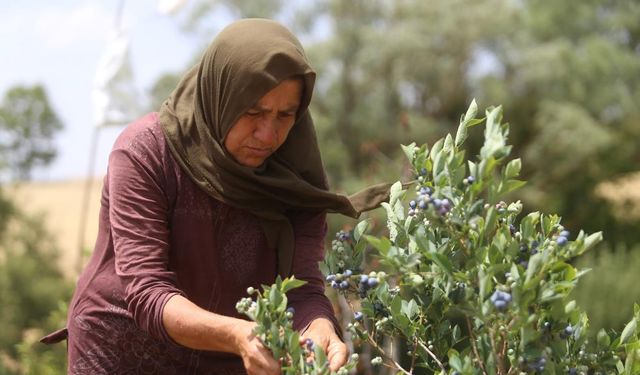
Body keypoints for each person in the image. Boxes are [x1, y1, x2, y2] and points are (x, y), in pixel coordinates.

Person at [42, 18, 390, 374]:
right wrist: (237, 334)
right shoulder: (145, 152)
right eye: (253, 112)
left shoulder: (296, 180)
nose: (268, 134)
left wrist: (320, 326)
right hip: (122, 349)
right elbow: (147, 292)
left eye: (285, 115)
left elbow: (302, 289)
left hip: (229, 353)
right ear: (221, 96)